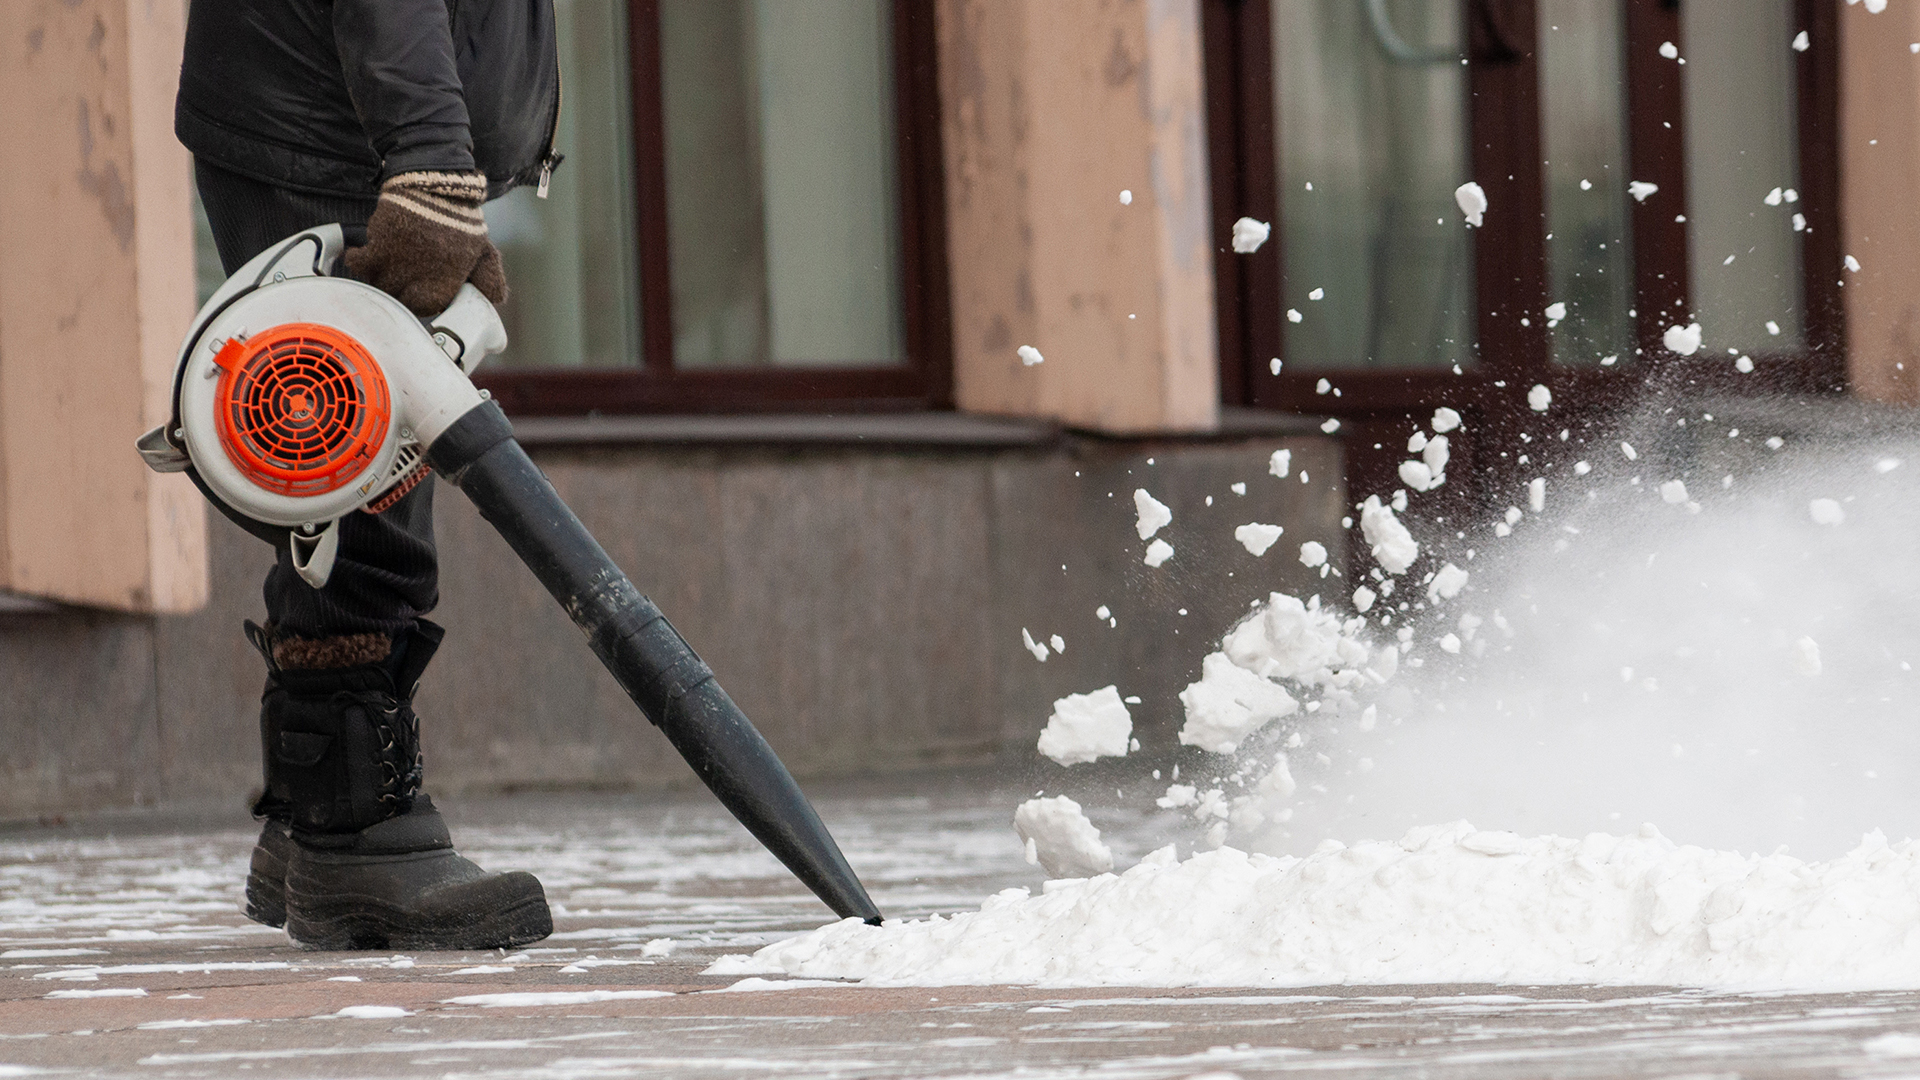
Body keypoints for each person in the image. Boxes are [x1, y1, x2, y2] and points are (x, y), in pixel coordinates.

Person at [175, 0, 561, 950]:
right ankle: (355, 834)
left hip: (355, 108)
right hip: (327, 114)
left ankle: (309, 808)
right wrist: (429, 157)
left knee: (351, 459)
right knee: (349, 462)